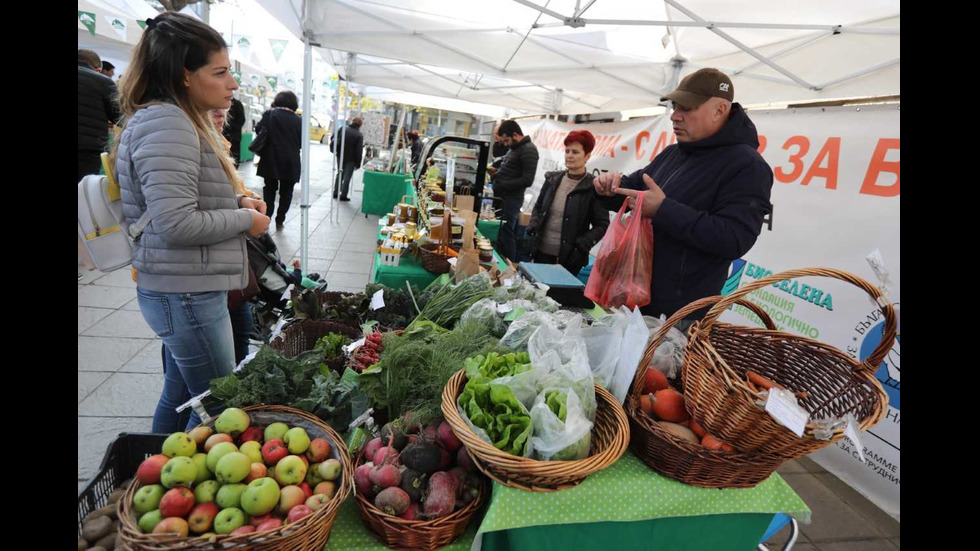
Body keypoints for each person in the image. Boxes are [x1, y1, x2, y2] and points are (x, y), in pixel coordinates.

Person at [113, 12, 270, 432]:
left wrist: (235, 199)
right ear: (185, 75)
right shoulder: (168, 122)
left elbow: (177, 200)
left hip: (184, 286)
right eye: (219, 73)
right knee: (217, 406)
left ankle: (147, 471)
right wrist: (244, 219)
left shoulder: (172, 119)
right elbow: (176, 223)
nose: (232, 84)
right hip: (186, 293)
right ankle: (165, 482)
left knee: (183, 394)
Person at [593, 68, 774, 322]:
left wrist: (663, 210)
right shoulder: (674, 153)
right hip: (634, 298)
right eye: (675, 107)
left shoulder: (747, 165)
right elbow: (634, 187)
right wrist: (609, 187)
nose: (675, 117)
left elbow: (735, 238)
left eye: (686, 109)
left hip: (679, 316)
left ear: (720, 110)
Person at [211, 108, 260, 364]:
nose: (221, 114)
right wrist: (247, 217)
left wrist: (243, 199)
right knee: (184, 381)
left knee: (241, 330)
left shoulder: (217, 142)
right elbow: (178, 222)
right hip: (201, 274)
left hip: (224, 263)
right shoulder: (187, 144)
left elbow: (216, 197)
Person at [528, 130, 609, 276]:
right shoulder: (552, 180)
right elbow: (539, 207)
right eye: (567, 151)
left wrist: (581, 246)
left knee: (558, 297)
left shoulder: (593, 187)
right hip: (540, 253)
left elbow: (602, 225)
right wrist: (533, 226)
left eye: (575, 152)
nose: (569, 155)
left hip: (569, 259)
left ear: (587, 156)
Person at [489, 119, 539, 262]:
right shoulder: (515, 149)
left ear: (515, 135)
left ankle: (510, 265)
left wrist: (502, 184)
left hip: (511, 200)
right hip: (503, 197)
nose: (505, 144)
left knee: (507, 233)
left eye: (506, 140)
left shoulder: (529, 150)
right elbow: (510, 170)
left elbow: (528, 179)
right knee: (501, 232)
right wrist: (497, 172)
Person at [256, 91, 303, 230]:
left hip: (271, 158)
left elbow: (259, 129)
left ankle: (267, 216)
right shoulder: (299, 120)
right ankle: (280, 218)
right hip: (291, 161)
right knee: (287, 191)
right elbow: (302, 142)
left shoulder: (270, 114)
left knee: (269, 189)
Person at [78, 49, 121, 182]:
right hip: (88, 150)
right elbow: (119, 116)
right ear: (97, 69)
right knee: (82, 192)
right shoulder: (103, 81)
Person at [331, 116, 364, 201]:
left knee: (339, 173)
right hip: (351, 159)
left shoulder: (343, 129)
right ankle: (343, 195)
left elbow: (334, 137)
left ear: (352, 121)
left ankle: (335, 192)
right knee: (347, 177)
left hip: (340, 156)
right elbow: (358, 151)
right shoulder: (359, 135)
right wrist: (358, 163)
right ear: (360, 125)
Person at [223, 96, 246, 167]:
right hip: (223, 136)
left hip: (234, 137)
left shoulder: (237, 104)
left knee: (234, 159)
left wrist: (228, 125)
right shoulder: (221, 103)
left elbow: (241, 120)